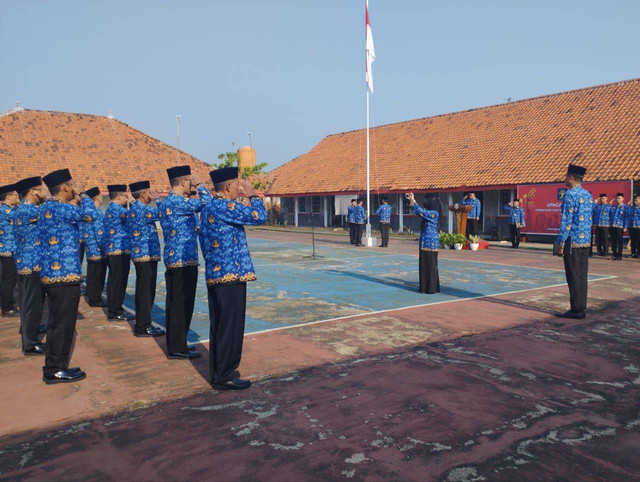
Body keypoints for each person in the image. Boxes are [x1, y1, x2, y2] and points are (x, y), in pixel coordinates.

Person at [200, 167, 267, 390]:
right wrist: (253, 196)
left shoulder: (209, 206)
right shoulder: (225, 206)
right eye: (237, 184)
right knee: (231, 326)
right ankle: (225, 374)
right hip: (231, 274)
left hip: (218, 273)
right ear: (228, 186)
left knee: (220, 325)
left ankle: (221, 371)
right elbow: (259, 217)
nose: (240, 188)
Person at [39, 168, 93, 383]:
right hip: (64, 276)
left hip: (53, 276)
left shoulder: (46, 208)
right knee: (63, 324)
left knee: (57, 323)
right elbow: (91, 215)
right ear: (64, 187)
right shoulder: (62, 209)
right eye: (72, 184)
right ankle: (55, 369)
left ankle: (54, 366)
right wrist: (85, 196)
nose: (75, 187)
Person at [159, 165, 211, 359]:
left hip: (178, 259)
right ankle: (176, 347)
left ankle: (178, 343)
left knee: (177, 303)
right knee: (181, 304)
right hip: (182, 260)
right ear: (182, 182)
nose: (192, 184)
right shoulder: (178, 202)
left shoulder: (166, 202)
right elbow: (207, 202)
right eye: (190, 181)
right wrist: (201, 185)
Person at [13, 177, 47, 355]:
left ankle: (29, 332)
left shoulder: (24, 209)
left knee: (31, 302)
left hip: (27, 262)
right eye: (41, 190)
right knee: (31, 303)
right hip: (31, 263)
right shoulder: (28, 210)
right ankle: (30, 343)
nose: (44, 193)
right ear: (33, 191)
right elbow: (51, 213)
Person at [555, 164, 593, 320]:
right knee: (582, 275)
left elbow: (566, 221)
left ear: (571, 177)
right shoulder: (588, 195)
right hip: (585, 241)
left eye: (566, 176)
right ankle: (581, 307)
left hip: (572, 240)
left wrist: (560, 243)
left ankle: (576, 309)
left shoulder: (570, 195)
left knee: (573, 275)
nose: (565, 179)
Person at [128, 180, 165, 338]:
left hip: (141, 254)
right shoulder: (142, 209)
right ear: (143, 195)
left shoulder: (134, 208)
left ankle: (142, 323)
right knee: (146, 292)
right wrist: (159, 199)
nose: (151, 195)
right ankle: (143, 326)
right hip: (146, 255)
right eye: (149, 193)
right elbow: (163, 214)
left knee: (143, 290)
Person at [104, 185, 134, 320]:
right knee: (119, 281)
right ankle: (115, 311)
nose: (127, 198)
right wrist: (134, 203)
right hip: (119, 250)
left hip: (114, 249)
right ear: (118, 196)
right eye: (125, 196)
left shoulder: (111, 208)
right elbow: (134, 216)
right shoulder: (117, 209)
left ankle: (114, 308)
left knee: (114, 280)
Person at [407, 193, 440, 294]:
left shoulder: (434, 213)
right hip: (424, 242)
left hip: (431, 244)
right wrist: (412, 200)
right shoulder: (429, 213)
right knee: (424, 265)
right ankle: (424, 287)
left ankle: (432, 288)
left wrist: (414, 201)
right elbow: (419, 212)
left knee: (431, 266)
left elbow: (420, 212)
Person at [82, 187, 108, 308]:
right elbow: (99, 232)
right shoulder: (96, 211)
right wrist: (103, 247)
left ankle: (91, 295)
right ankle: (95, 299)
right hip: (97, 248)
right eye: (101, 195)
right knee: (97, 275)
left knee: (92, 273)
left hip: (91, 247)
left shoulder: (90, 210)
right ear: (97, 197)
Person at [0, 183, 20, 317]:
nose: (17, 197)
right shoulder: (5, 210)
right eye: (15, 195)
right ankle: (6, 307)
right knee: (9, 278)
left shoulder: (5, 209)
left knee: (7, 277)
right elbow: (19, 216)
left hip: (8, 248)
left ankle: (6, 301)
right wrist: (20, 204)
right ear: (8, 197)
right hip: (8, 249)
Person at [609, 192, 628, 261]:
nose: (618, 199)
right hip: (613, 226)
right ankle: (614, 255)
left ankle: (619, 256)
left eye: (619, 198)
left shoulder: (625, 207)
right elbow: (610, 215)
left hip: (620, 227)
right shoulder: (613, 207)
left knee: (619, 242)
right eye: (617, 198)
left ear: (623, 199)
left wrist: (625, 227)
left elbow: (626, 218)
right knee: (613, 241)